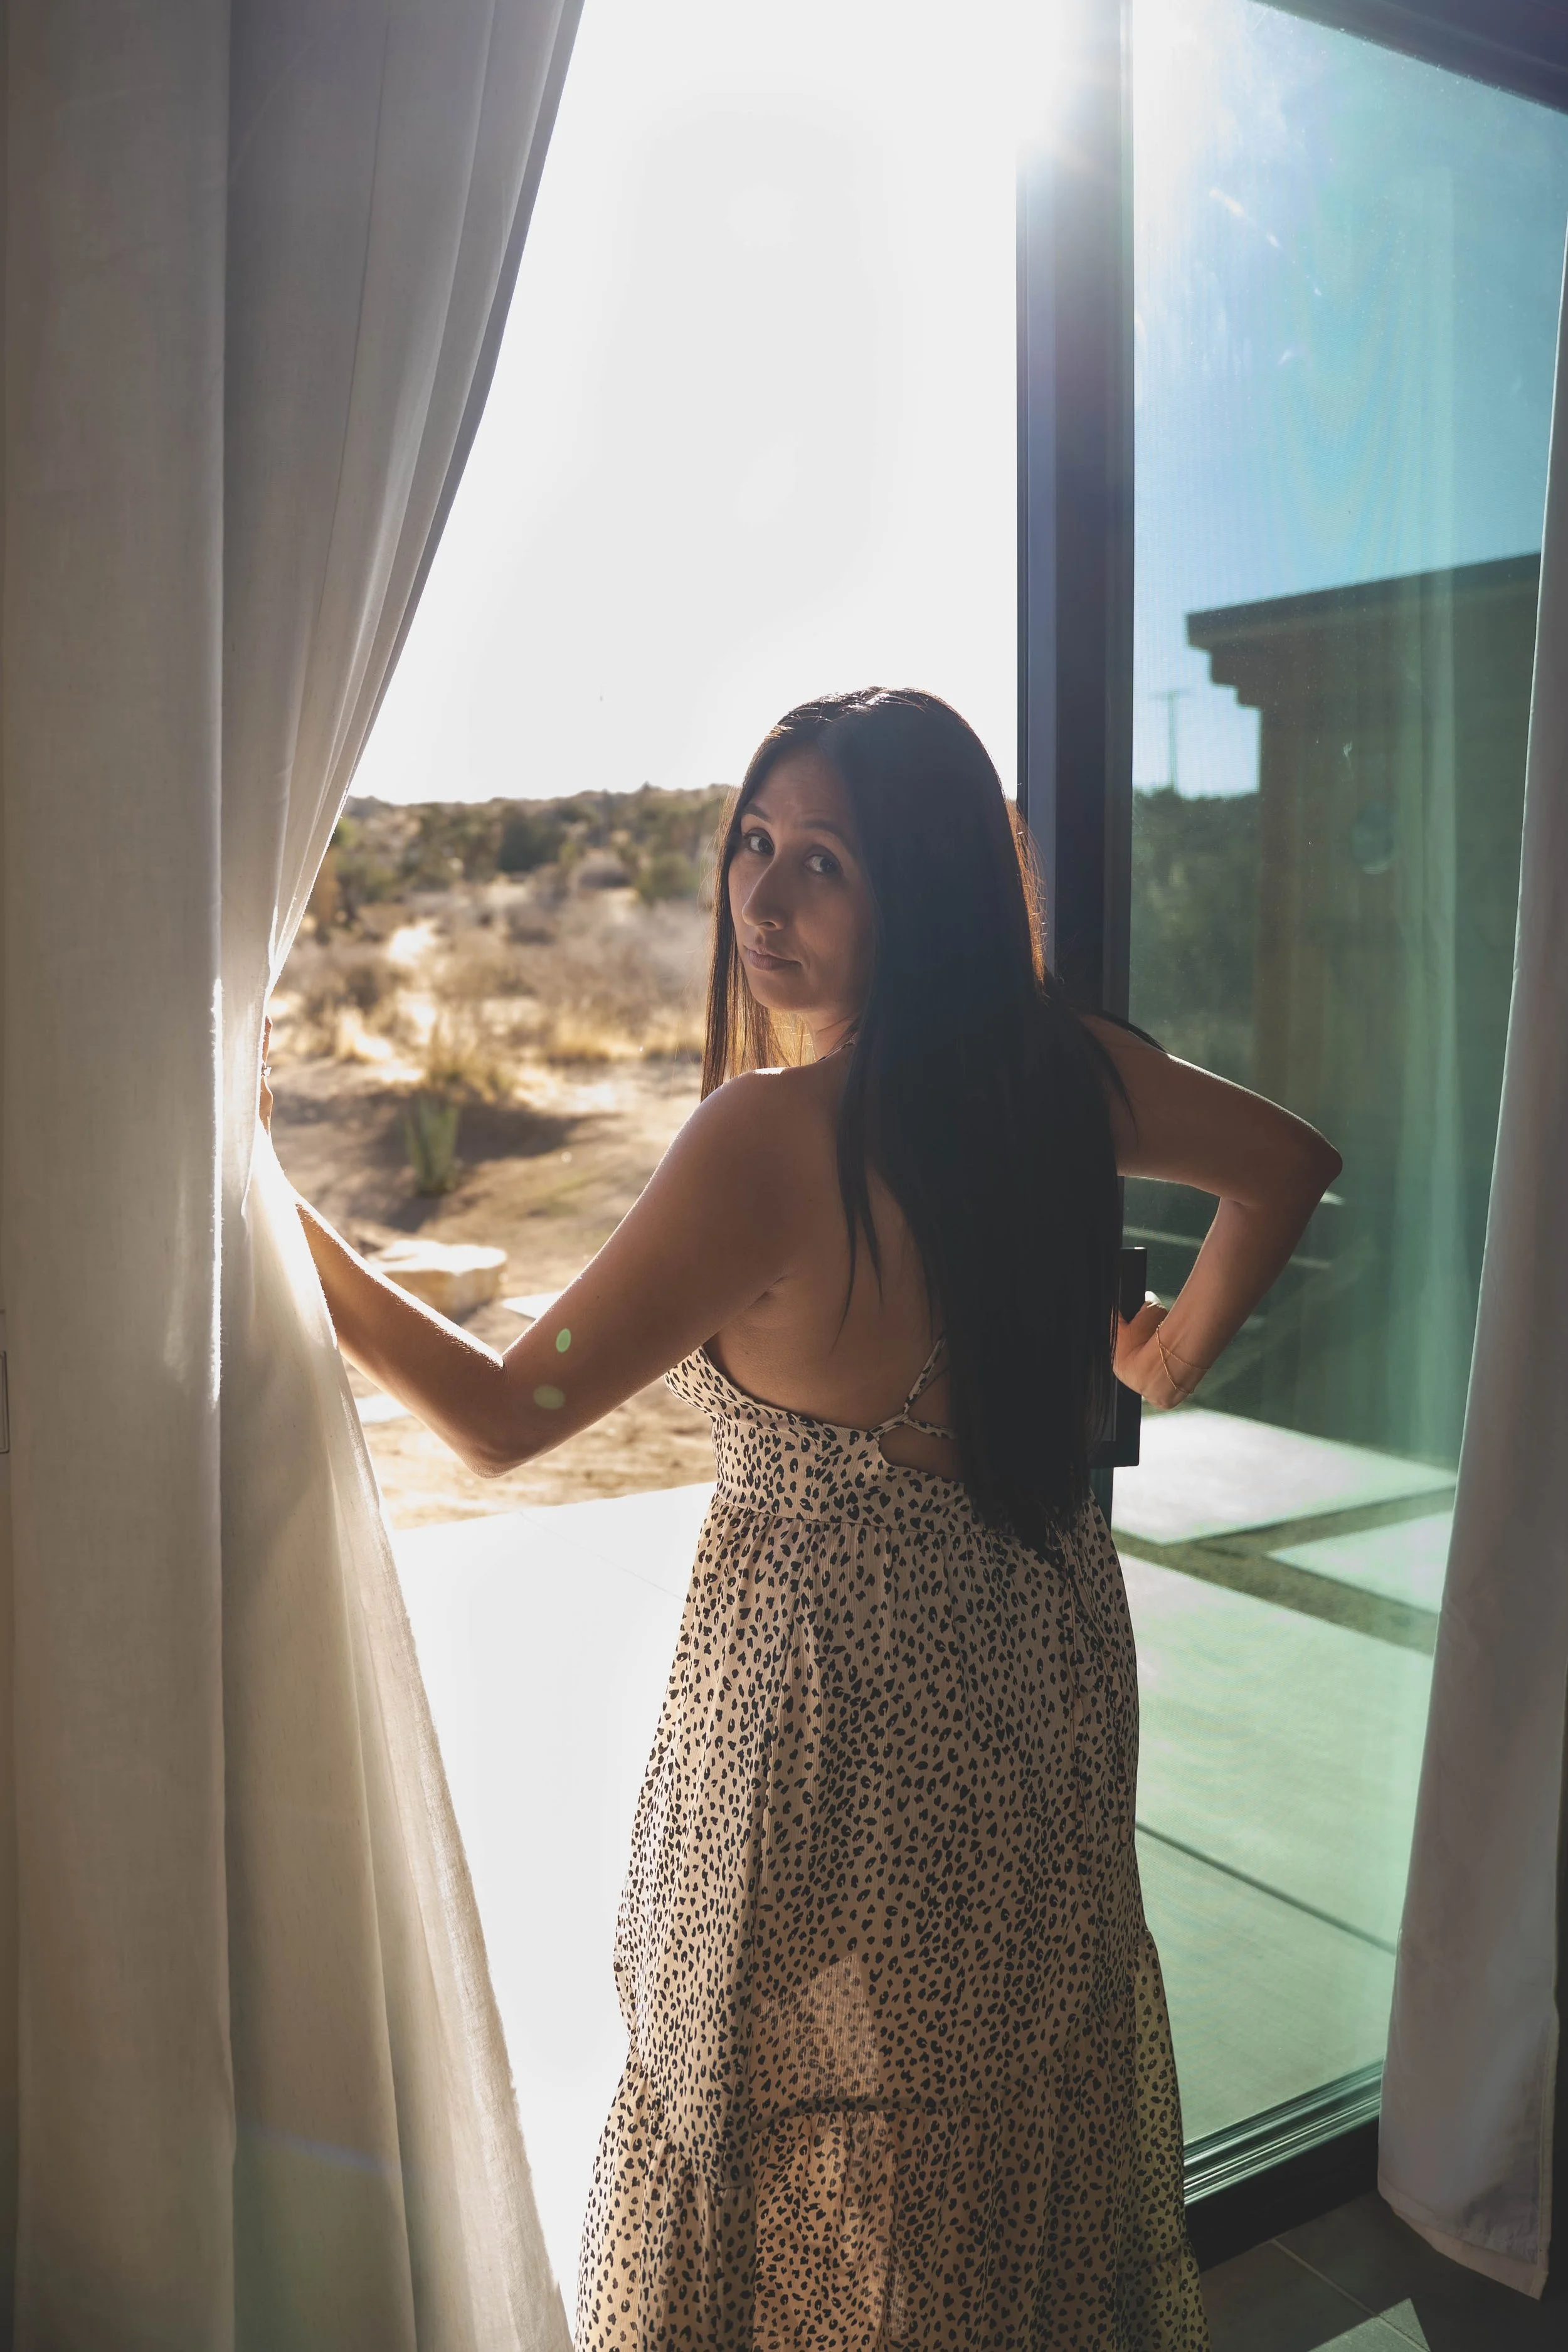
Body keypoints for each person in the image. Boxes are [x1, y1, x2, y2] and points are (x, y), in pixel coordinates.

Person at [270, 688, 1340, 2348]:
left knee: (809, 2166)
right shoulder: (1065, 1078)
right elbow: (1286, 1165)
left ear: (924, 883)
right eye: (753, 844)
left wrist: (272, 1214)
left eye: (824, 861)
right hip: (1038, 1688)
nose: (762, 900)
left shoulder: (768, 1143)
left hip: (832, 1735)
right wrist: (1167, 1358)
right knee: (993, 2136)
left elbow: (496, 1417)